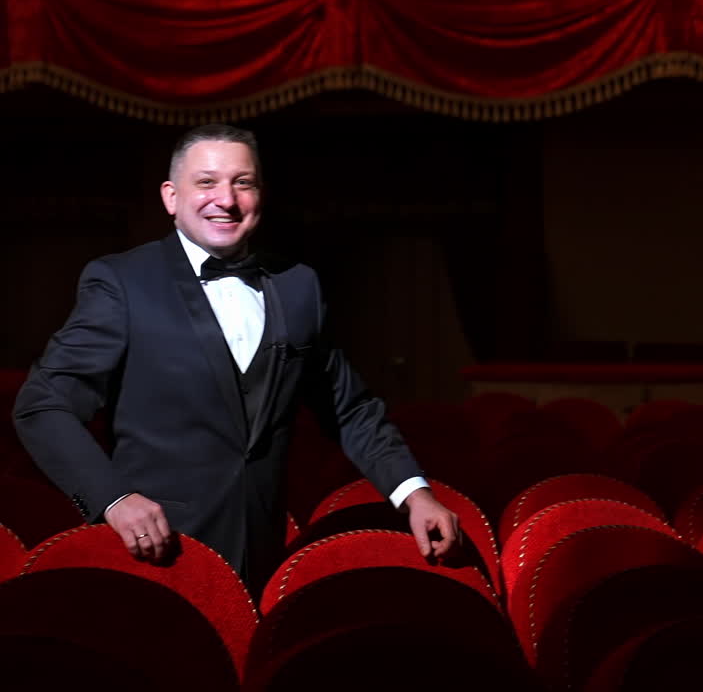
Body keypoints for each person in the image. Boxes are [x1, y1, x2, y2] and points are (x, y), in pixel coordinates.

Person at [14, 123, 459, 596]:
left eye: (241, 183)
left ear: (259, 194)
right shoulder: (121, 282)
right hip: (155, 557)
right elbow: (43, 405)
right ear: (170, 196)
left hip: (262, 554)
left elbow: (350, 409)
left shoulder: (298, 284)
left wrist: (415, 494)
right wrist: (114, 500)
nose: (225, 199)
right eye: (206, 182)